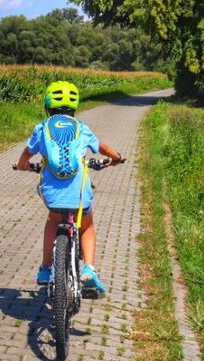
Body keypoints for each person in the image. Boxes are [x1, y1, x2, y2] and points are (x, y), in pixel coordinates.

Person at [13, 80, 123, 293]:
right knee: (87, 225)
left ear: (48, 107)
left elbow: (27, 154)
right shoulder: (82, 128)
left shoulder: (42, 128)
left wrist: (22, 166)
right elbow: (102, 148)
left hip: (53, 195)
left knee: (52, 220)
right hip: (79, 194)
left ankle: (45, 269)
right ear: (75, 108)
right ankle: (89, 270)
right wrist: (116, 157)